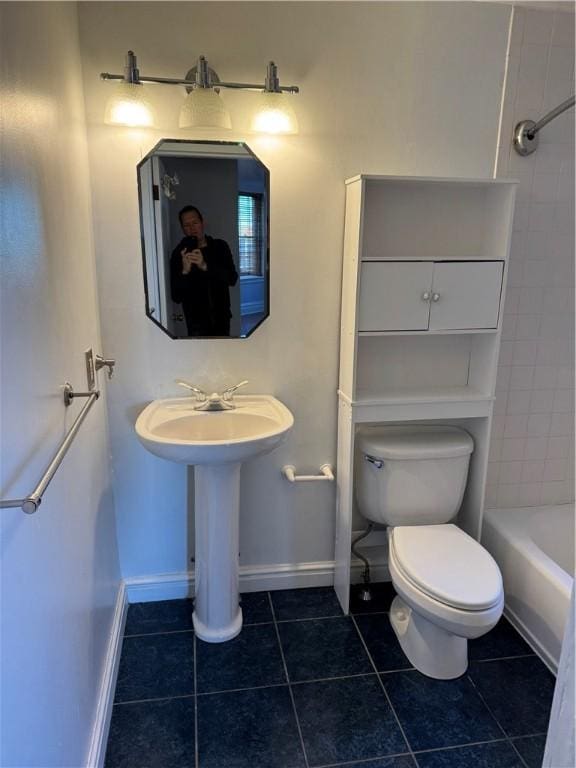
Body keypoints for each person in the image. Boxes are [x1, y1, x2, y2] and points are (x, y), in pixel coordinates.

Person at [170, 205, 238, 336]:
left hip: (221, 319)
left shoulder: (220, 247)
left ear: (202, 222)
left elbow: (232, 278)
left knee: (223, 355)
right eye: (186, 225)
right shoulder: (178, 254)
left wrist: (206, 266)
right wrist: (185, 271)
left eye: (195, 223)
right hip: (195, 325)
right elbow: (176, 297)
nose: (192, 228)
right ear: (182, 229)